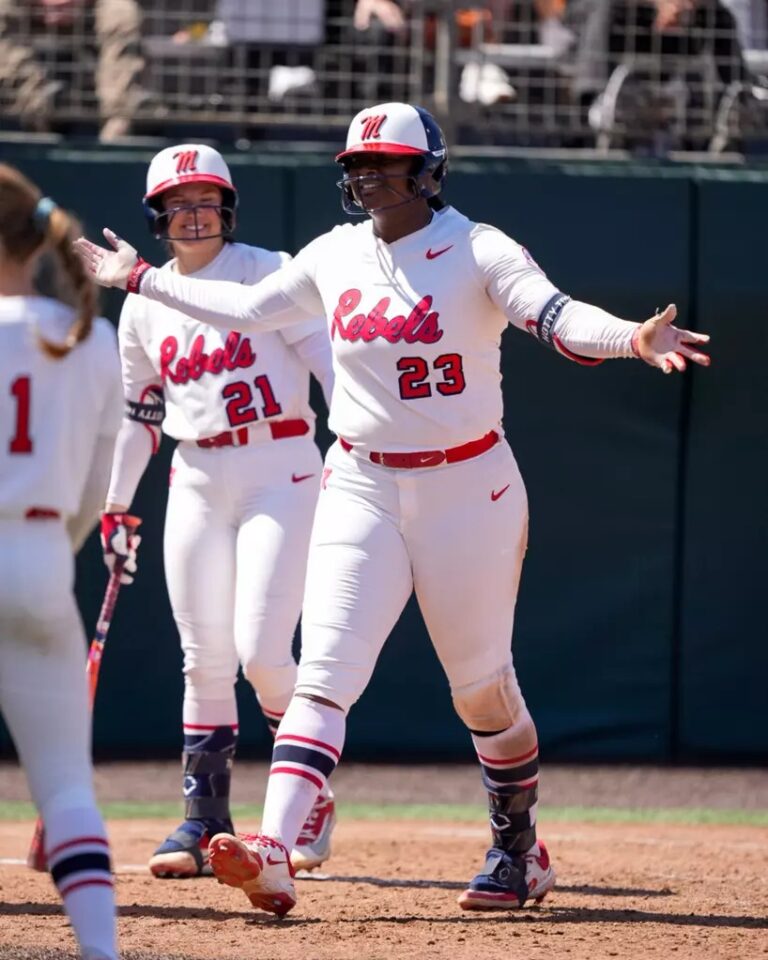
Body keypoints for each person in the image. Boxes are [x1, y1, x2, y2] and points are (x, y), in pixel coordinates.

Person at [74, 102, 711, 917]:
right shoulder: (334, 253)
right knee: (325, 673)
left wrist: (631, 338)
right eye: (357, 166)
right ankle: (272, 851)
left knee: (480, 689)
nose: (368, 176)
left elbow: (555, 315)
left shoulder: (478, 248)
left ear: (428, 170)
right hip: (361, 481)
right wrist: (139, 279)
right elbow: (249, 309)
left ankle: (518, 848)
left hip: (467, 486)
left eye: (387, 163)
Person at [99, 143, 336, 880]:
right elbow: (141, 412)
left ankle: (310, 793)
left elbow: (333, 369)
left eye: (207, 200)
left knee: (264, 651)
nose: (194, 213)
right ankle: (204, 819)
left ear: (227, 208)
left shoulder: (270, 271)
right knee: (203, 655)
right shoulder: (142, 301)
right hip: (197, 470)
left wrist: (359, 448)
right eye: (179, 203)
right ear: (158, 218)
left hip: (283, 462)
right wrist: (114, 505)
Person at [0, 164, 125, 959]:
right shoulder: (91, 334)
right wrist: (48, 555)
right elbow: (92, 490)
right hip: (41, 555)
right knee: (68, 787)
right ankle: (103, 952)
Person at [0, 0, 150, 142]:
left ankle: (115, 130)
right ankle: (35, 114)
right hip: (28, 7)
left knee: (122, 11)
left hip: (89, 7)